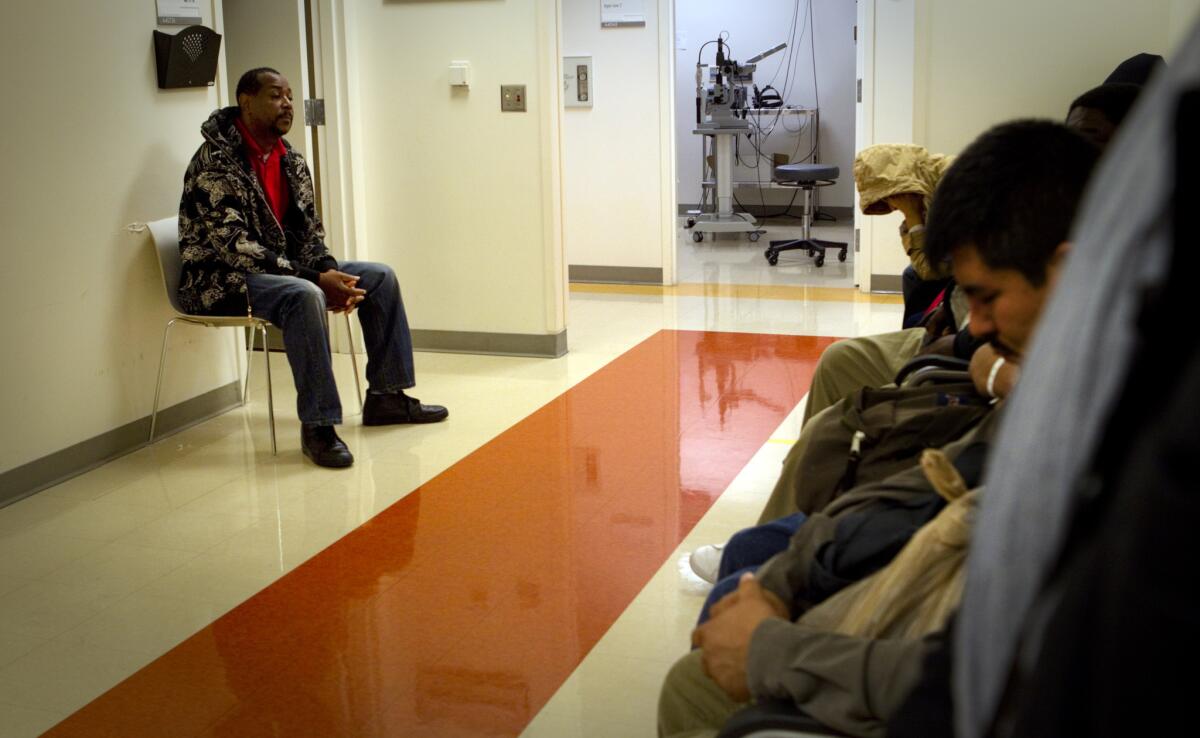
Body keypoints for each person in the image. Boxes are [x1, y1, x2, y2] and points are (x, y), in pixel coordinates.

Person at [658, 119, 1101, 738]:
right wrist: (789, 573)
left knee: (697, 686)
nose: (976, 323)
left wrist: (770, 652)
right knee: (755, 562)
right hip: (934, 567)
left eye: (989, 296)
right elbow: (924, 491)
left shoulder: (1117, 440)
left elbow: (996, 676)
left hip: (942, 652)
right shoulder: (1062, 376)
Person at [179, 67, 447, 468]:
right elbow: (237, 249)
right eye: (275, 95)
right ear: (246, 101)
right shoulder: (214, 165)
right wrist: (315, 279)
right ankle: (319, 425)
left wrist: (325, 268)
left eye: (289, 95)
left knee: (378, 277)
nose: (287, 103)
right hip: (219, 280)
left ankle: (386, 397)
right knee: (305, 294)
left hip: (284, 271)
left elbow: (309, 231)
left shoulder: (292, 161)